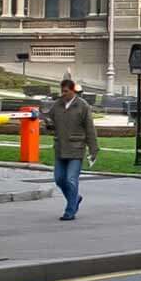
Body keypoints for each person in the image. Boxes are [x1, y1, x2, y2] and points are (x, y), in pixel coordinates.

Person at [44, 79, 99, 221]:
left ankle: (70, 211)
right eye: (62, 91)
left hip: (76, 149)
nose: (63, 94)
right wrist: (48, 124)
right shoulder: (57, 105)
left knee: (71, 180)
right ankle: (75, 198)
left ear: (73, 91)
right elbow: (49, 120)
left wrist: (93, 149)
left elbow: (90, 129)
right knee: (59, 179)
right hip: (60, 148)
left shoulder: (82, 106)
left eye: (66, 91)